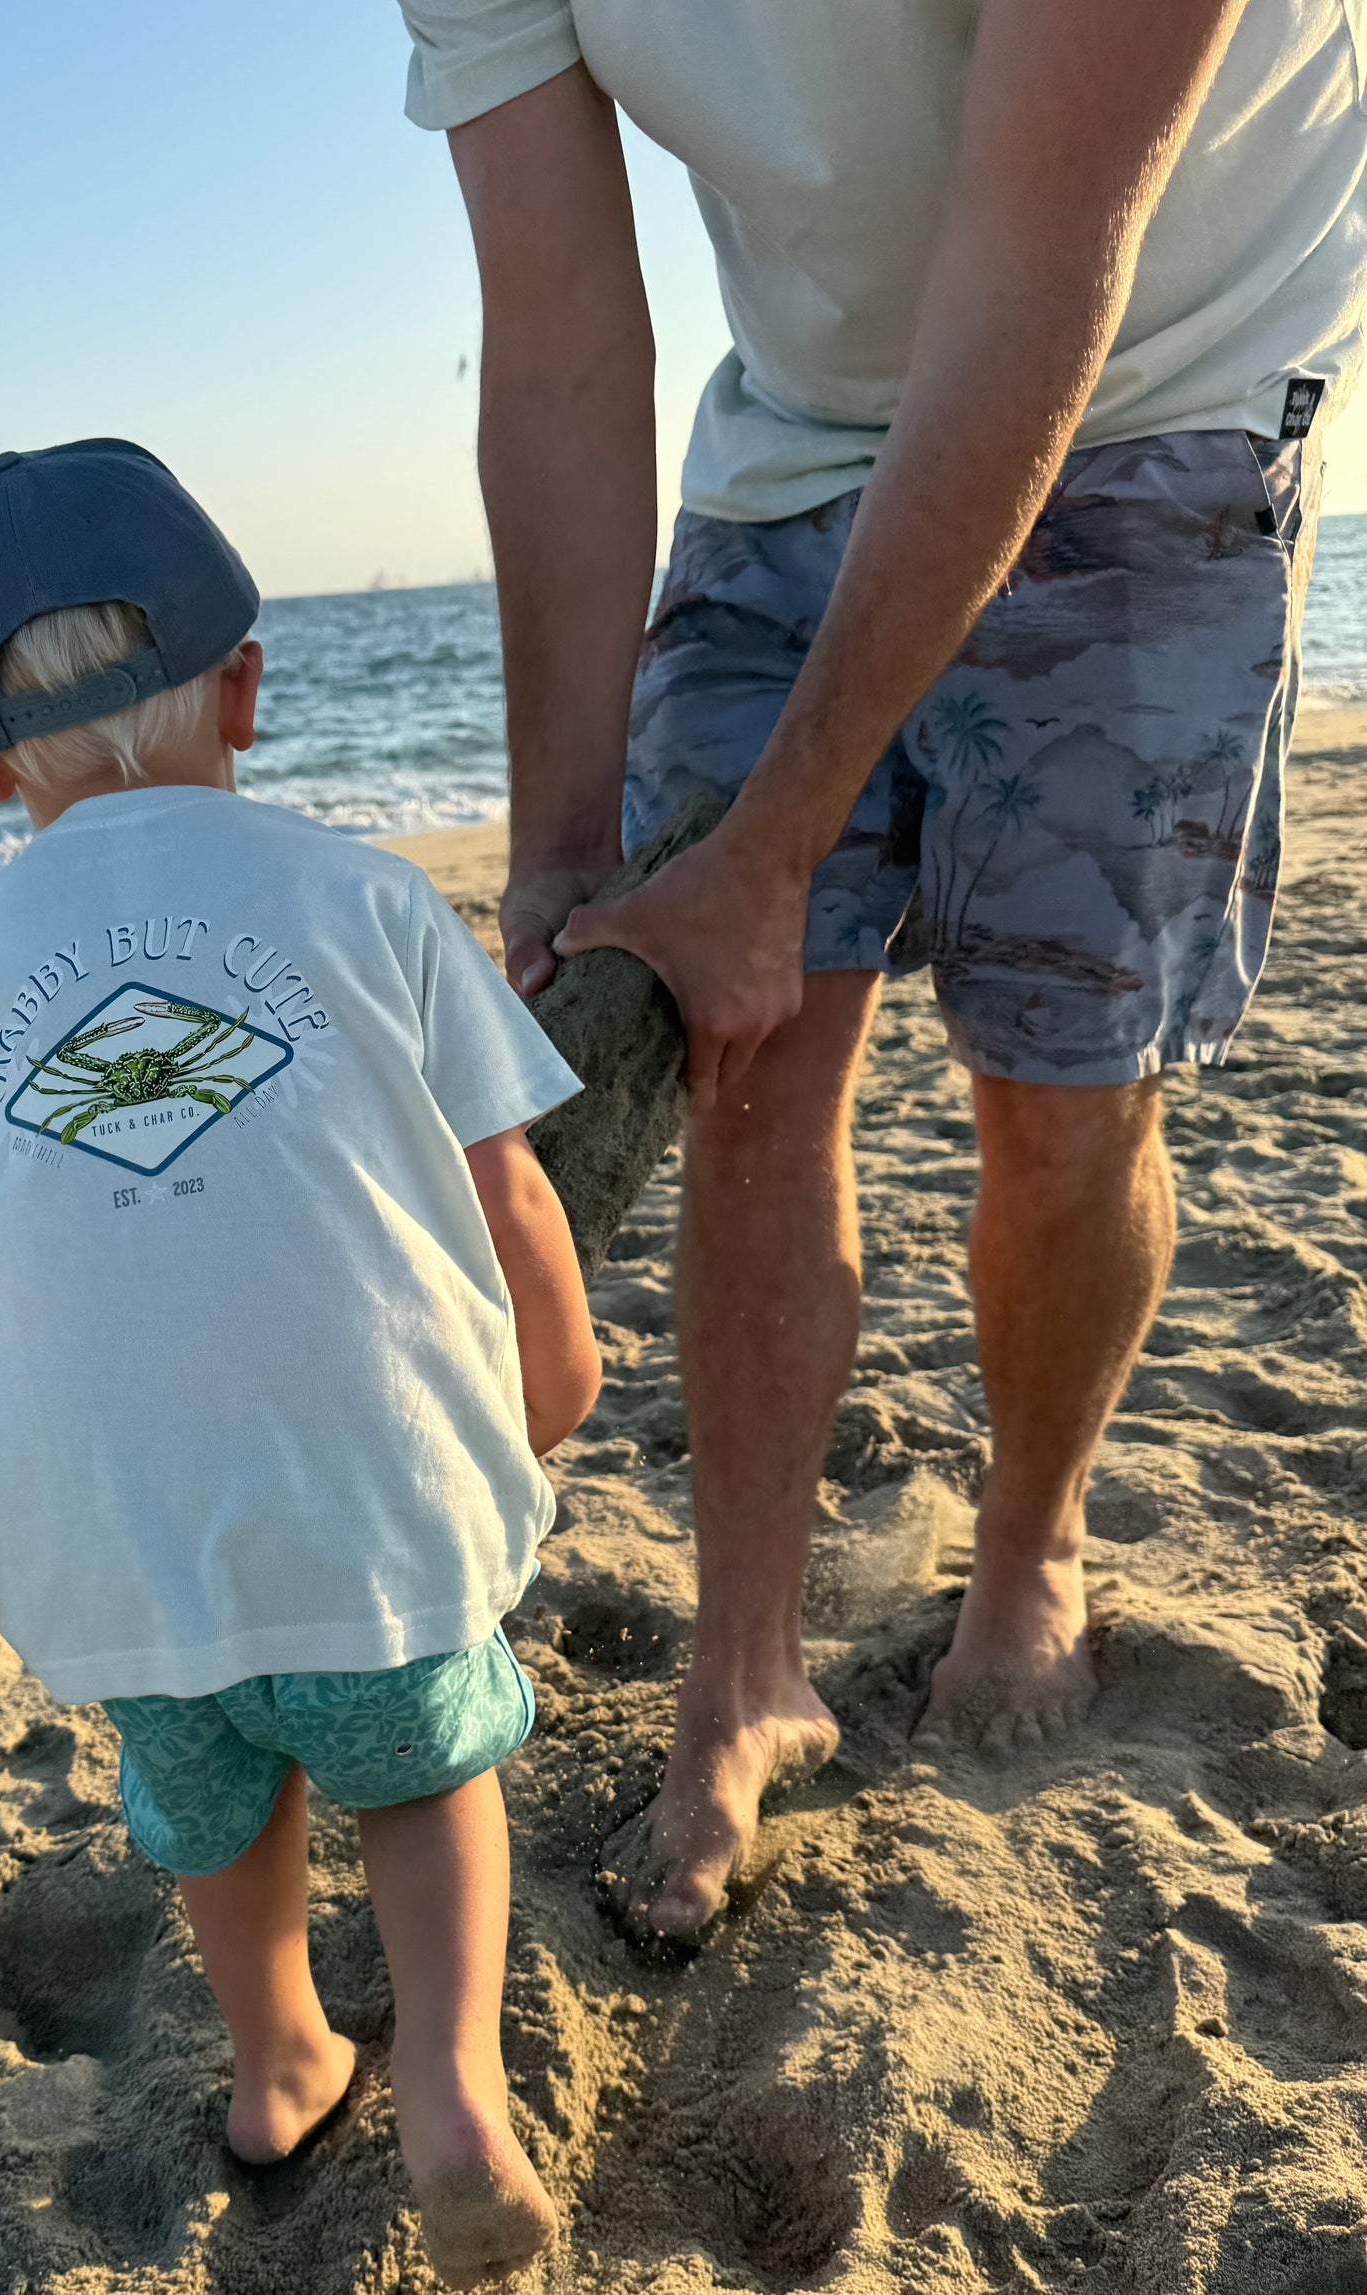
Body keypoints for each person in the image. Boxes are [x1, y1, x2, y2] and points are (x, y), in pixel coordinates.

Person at [397, 0, 1364, 1947]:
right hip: (793, 438)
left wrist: (765, 847)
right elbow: (565, 332)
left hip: (1156, 371)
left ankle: (1028, 1544)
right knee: (739, 1061)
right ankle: (742, 1664)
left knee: (1064, 1096)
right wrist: (570, 846)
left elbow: (1039, 258)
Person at [0, 439, 600, 2284]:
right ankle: (445, 2083)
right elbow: (503, 1184)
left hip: (102, 1529)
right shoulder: (364, 898)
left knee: (209, 1789)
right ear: (251, 684)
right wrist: (553, 1373)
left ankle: (279, 2067)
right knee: (420, 1778)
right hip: (356, 1504)